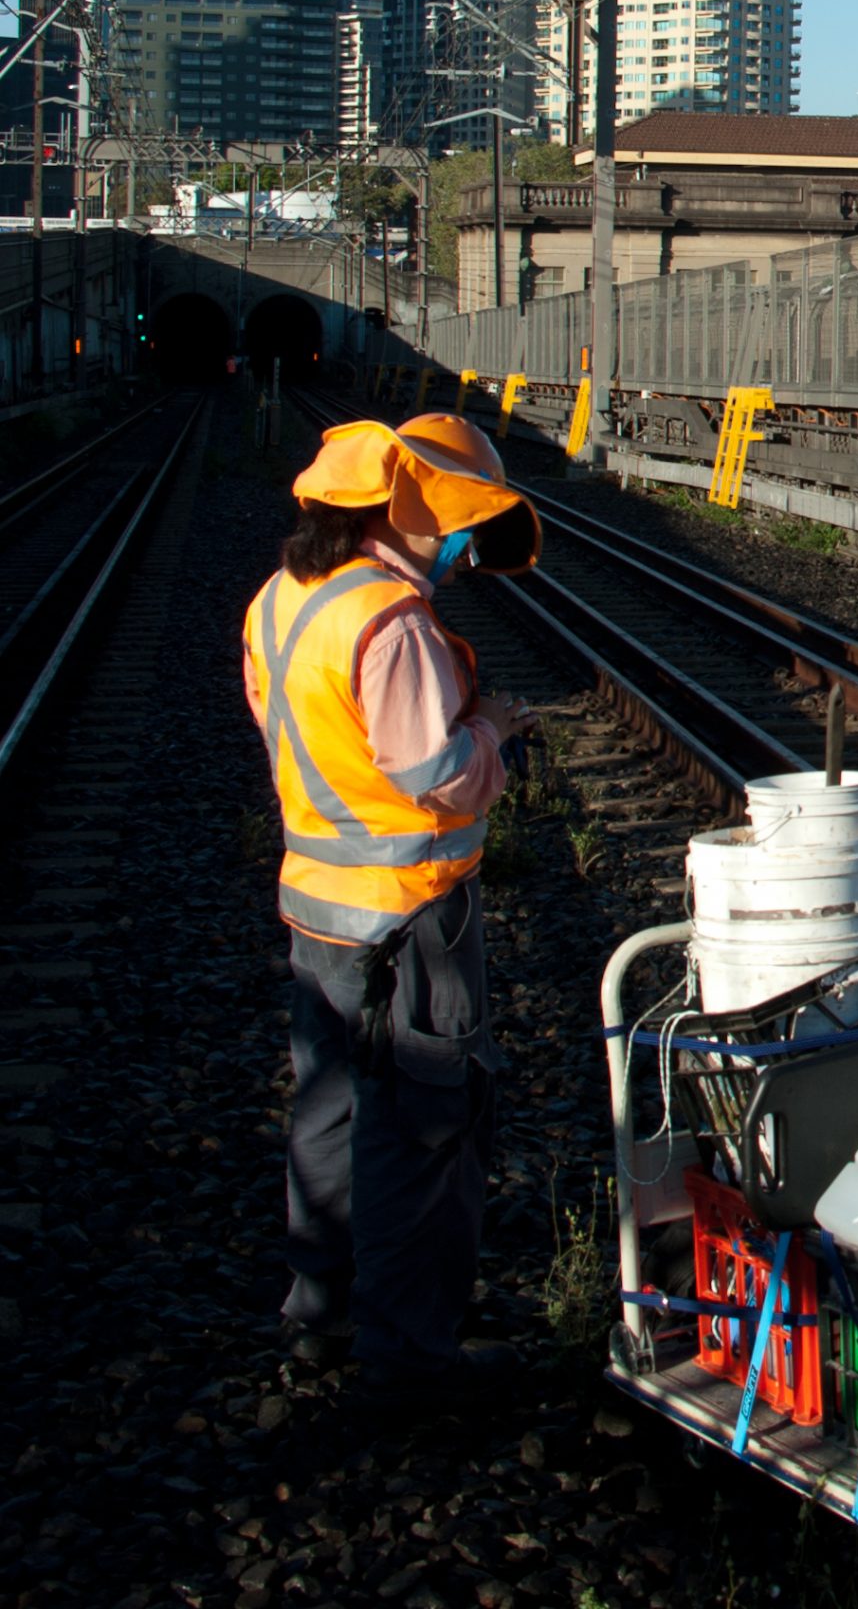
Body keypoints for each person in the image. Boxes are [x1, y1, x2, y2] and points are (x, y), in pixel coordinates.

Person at [241, 413, 542, 1400]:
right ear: (412, 514)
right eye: (463, 528)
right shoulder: (393, 621)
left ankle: (321, 1312)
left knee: (329, 1107)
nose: (465, 551)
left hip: (317, 901)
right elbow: (435, 776)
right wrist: (491, 728)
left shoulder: (284, 598)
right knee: (423, 1124)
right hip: (409, 910)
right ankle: (409, 1355)